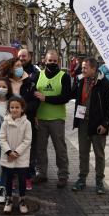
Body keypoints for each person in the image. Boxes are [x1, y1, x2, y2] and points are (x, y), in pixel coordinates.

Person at [71, 58, 109, 195]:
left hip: (98, 125)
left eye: (84, 68)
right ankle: (82, 179)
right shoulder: (81, 81)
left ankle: (99, 181)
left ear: (94, 69)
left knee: (99, 155)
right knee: (83, 153)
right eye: (82, 68)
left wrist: (105, 124)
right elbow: (73, 96)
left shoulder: (105, 84)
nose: (82, 70)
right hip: (83, 123)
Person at [33, 50, 72, 188]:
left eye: (55, 61)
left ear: (59, 61)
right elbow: (33, 94)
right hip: (41, 119)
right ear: (45, 60)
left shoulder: (64, 76)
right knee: (40, 148)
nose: (52, 63)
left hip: (57, 119)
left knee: (60, 149)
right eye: (50, 61)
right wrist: (34, 114)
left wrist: (46, 98)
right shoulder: (38, 75)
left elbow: (65, 97)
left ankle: (63, 175)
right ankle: (41, 173)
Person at [1, 57, 38, 191]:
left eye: (20, 65)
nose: (19, 68)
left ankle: (27, 177)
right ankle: (12, 178)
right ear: (11, 68)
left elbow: (35, 101)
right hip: (9, 122)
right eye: (16, 65)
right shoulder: (5, 82)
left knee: (26, 149)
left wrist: (22, 110)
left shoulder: (30, 82)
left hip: (26, 121)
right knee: (11, 148)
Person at [0, 96, 33, 214]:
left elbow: (27, 140)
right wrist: (9, 152)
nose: (14, 109)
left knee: (22, 180)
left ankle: (22, 200)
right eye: (12, 107)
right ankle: (8, 200)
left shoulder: (27, 123)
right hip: (8, 156)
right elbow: (2, 138)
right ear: (9, 109)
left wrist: (17, 152)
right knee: (8, 179)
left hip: (21, 157)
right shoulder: (5, 122)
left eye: (17, 107)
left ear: (22, 109)